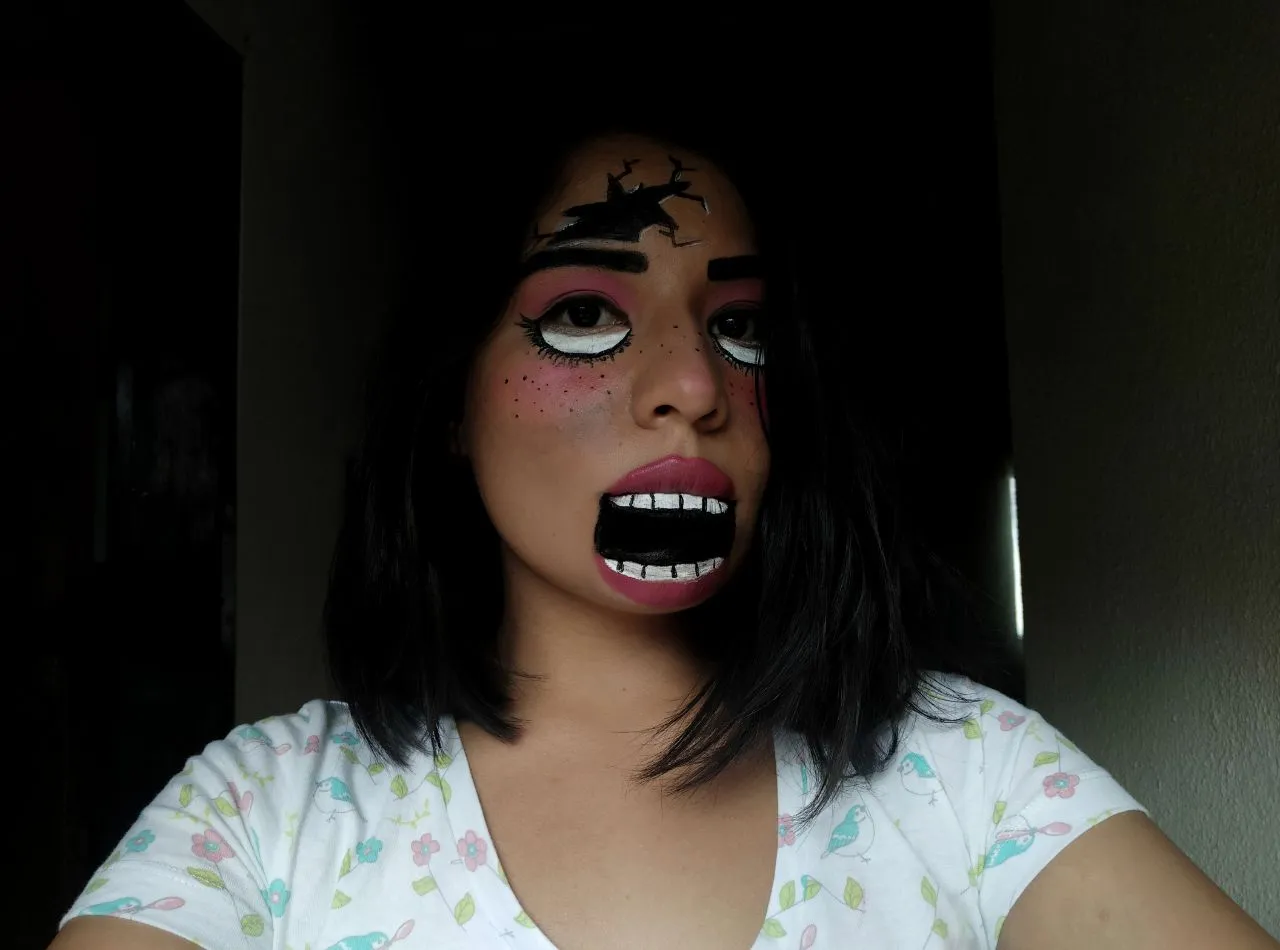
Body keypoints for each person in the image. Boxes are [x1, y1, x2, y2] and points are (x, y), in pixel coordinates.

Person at [52, 102, 1279, 949]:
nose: (692, 384)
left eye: (737, 328)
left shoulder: (964, 768)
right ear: (449, 400)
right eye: (585, 314)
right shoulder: (263, 808)